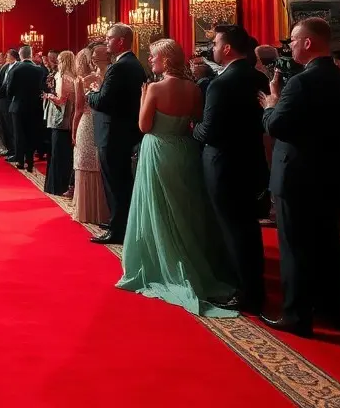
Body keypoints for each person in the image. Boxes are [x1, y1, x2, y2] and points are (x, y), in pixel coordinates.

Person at [116, 38, 236, 318]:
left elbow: (144, 126)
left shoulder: (156, 88)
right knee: (184, 207)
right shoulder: (193, 88)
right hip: (185, 149)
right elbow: (195, 119)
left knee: (159, 207)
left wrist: (144, 96)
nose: (151, 59)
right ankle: (191, 258)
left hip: (158, 148)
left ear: (166, 59)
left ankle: (164, 262)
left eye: (154, 56)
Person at [261, 17, 340, 336]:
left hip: (297, 175)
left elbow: (276, 127)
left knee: (295, 246)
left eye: (292, 40)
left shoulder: (300, 82)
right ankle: (333, 308)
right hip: (331, 170)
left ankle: (296, 316)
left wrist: (270, 105)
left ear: (307, 42)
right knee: (328, 244)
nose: (289, 46)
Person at [192, 25, 267, 315]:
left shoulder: (220, 84)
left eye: (215, 44)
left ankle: (244, 291)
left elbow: (208, 131)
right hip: (251, 159)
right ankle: (253, 287)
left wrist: (191, 128)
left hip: (223, 163)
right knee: (248, 229)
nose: (211, 49)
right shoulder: (257, 76)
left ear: (226, 48)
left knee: (233, 230)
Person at [87, 24, 145, 244]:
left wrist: (91, 92)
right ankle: (118, 221)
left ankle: (118, 229)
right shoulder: (134, 64)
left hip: (113, 134)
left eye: (109, 38)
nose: (106, 41)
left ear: (120, 41)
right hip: (123, 132)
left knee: (116, 183)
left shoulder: (120, 67)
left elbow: (103, 101)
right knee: (119, 182)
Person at [73, 48, 109, 226]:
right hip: (100, 124)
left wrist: (73, 132)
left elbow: (78, 110)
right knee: (98, 164)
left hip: (86, 124)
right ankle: (103, 210)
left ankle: (88, 210)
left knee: (86, 164)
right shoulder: (105, 78)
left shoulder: (81, 81)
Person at [3, 45, 47, 172]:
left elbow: (9, 90)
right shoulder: (39, 70)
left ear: (21, 55)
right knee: (31, 134)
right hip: (35, 107)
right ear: (31, 54)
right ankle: (30, 162)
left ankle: (21, 161)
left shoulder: (15, 70)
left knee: (19, 134)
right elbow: (42, 88)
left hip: (18, 106)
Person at [44, 50, 77, 196]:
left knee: (57, 152)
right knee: (66, 153)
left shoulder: (62, 76)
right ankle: (64, 184)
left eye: (59, 60)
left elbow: (61, 100)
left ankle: (56, 186)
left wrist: (48, 96)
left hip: (60, 119)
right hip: (70, 118)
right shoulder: (74, 77)